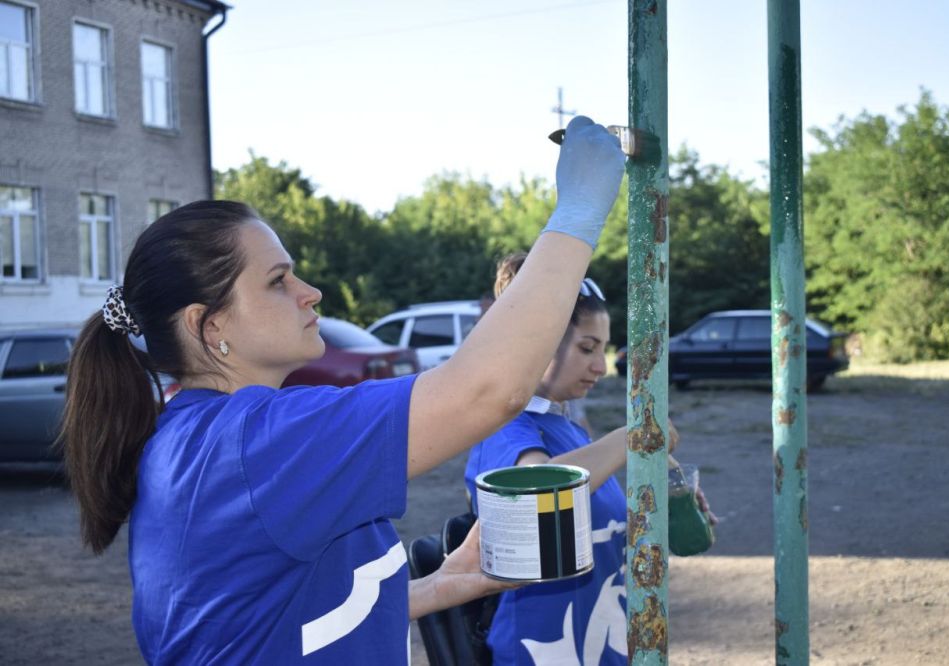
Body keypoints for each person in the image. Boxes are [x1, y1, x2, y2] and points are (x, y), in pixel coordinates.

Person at [59, 115, 625, 664]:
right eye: (279, 282)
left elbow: (273, 615)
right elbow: (486, 391)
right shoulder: (253, 443)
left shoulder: (199, 434)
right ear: (210, 326)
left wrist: (441, 585)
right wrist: (577, 213)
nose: (312, 293)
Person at [464, 255, 715, 666]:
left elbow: (596, 528)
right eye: (586, 349)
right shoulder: (504, 430)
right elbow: (542, 495)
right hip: (540, 652)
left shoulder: (570, 431)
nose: (600, 366)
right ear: (537, 343)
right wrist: (632, 438)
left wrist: (663, 510)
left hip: (599, 647)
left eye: (603, 350)